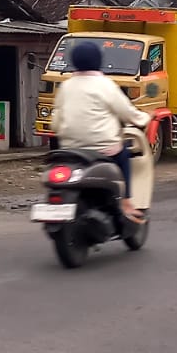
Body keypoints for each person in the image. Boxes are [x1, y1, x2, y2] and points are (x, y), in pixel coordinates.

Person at [50, 39, 151, 223]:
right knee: (124, 157)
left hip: (71, 150)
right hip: (103, 150)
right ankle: (127, 202)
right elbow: (127, 112)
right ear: (98, 60)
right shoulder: (105, 85)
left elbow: (56, 120)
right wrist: (144, 119)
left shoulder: (66, 86)